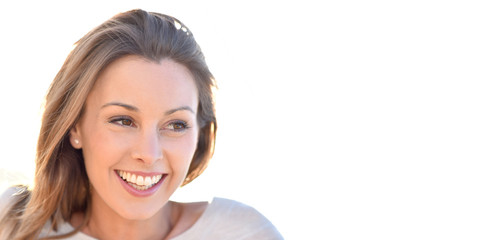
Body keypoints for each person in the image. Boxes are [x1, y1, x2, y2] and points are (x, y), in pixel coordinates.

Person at [0, 9, 282, 240]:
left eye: (175, 125)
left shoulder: (244, 233)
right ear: (74, 127)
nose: (149, 153)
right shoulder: (14, 225)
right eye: (123, 121)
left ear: (199, 134)